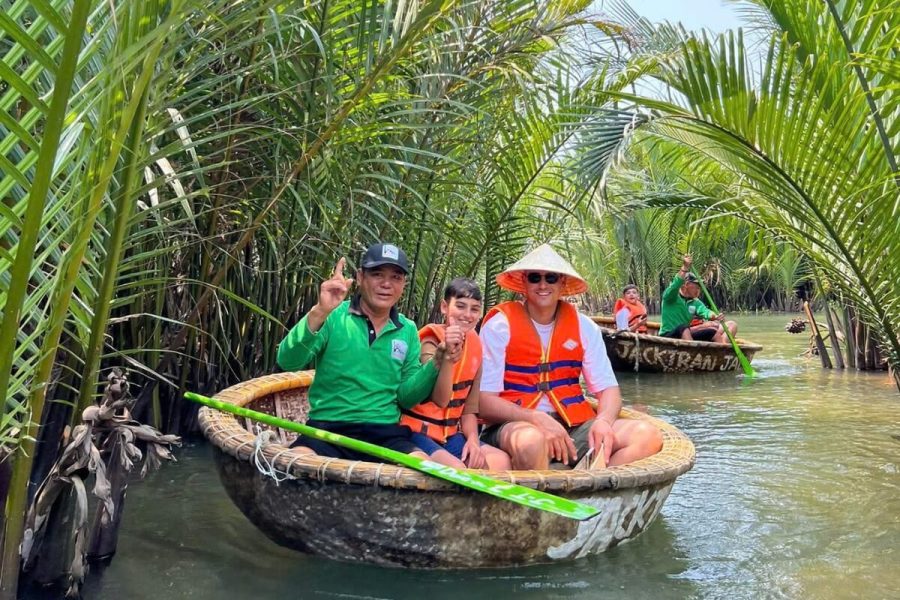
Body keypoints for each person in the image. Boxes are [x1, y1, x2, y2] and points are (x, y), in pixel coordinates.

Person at [478, 244, 664, 470]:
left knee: (647, 436)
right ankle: (548, 484)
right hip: (513, 424)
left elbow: (609, 390)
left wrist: (603, 421)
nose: (543, 285)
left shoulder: (584, 326)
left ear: (562, 283)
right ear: (524, 283)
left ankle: (588, 483)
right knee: (531, 442)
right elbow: (484, 402)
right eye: (535, 277)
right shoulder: (499, 326)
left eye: (551, 278)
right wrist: (535, 418)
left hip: (572, 423)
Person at [276, 243, 462, 460]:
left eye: (396, 277)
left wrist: (436, 363)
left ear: (403, 284)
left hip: (384, 433)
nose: (386, 284)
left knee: (421, 466)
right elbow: (288, 361)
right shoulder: (334, 315)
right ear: (360, 277)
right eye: (377, 274)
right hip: (327, 429)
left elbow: (406, 398)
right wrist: (320, 311)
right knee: (299, 461)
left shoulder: (407, 329)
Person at [400, 279, 511, 470]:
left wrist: (473, 441)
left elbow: (468, 410)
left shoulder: (475, 346)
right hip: (417, 432)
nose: (467, 315)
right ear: (445, 307)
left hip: (450, 434)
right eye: (460, 306)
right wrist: (448, 358)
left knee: (500, 462)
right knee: (457, 469)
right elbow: (441, 400)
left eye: (474, 309)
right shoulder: (430, 341)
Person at [659, 254, 738, 343]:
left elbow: (705, 311)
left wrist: (715, 316)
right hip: (668, 335)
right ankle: (692, 350)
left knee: (712, 332)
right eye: (696, 287)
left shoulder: (695, 302)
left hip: (685, 334)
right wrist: (684, 267)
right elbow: (675, 284)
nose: (698, 290)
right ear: (686, 284)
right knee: (683, 328)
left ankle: (721, 350)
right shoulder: (671, 296)